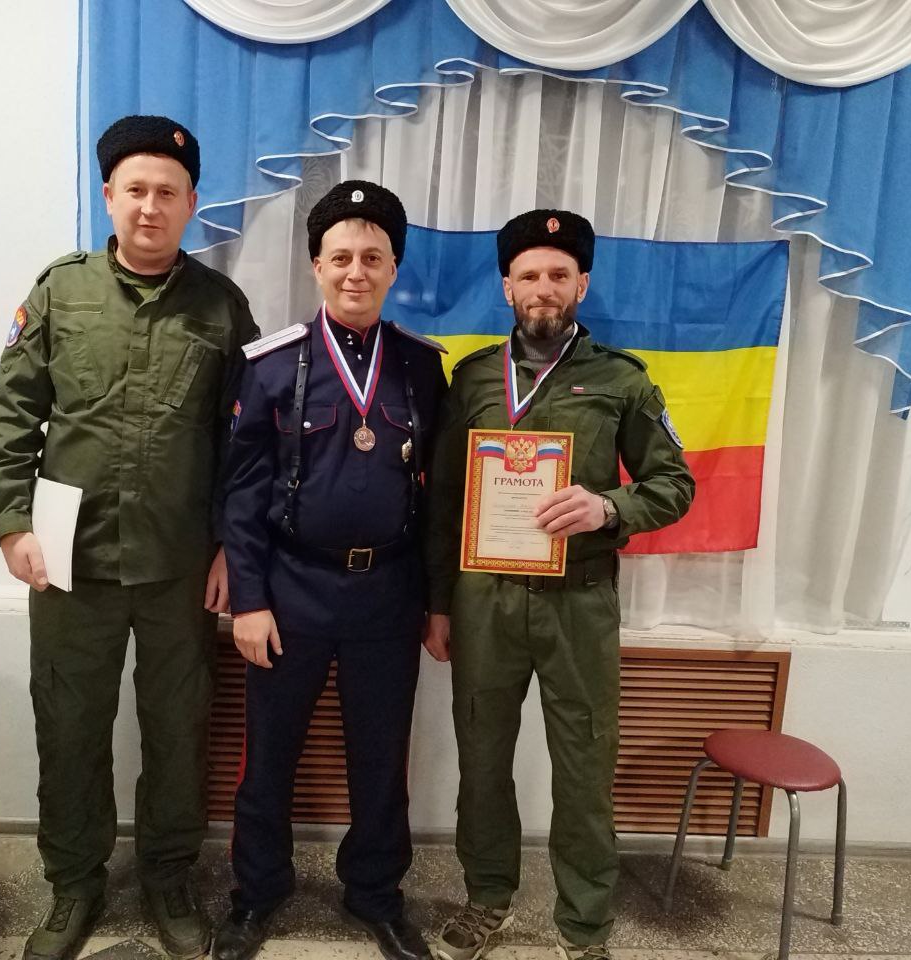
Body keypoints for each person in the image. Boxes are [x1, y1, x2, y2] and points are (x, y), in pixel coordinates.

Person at [0, 114, 259, 960]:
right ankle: (74, 884)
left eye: (167, 192)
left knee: (178, 729)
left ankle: (169, 877)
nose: (150, 206)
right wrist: (12, 525)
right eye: (135, 189)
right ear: (109, 195)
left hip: (180, 564)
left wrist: (230, 548)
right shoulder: (60, 293)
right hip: (72, 560)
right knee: (69, 727)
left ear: (191, 204)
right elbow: (13, 415)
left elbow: (247, 443)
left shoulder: (221, 307)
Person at [424, 209, 695, 960]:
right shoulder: (473, 378)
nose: (543, 287)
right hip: (484, 601)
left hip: (579, 601)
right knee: (482, 761)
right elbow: (443, 501)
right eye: (529, 275)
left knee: (584, 767)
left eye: (559, 274)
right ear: (507, 287)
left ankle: (584, 928)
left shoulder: (621, 380)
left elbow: (674, 484)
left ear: (582, 285)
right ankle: (487, 900)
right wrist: (438, 604)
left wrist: (609, 506)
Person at [212, 180, 448, 960]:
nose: (356, 271)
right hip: (292, 593)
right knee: (268, 756)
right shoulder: (273, 365)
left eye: (373, 258)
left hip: (388, 593)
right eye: (341, 257)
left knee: (381, 761)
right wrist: (249, 601)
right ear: (317, 266)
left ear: (393, 268)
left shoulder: (421, 367)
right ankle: (257, 894)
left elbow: (439, 497)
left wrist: (438, 602)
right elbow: (242, 494)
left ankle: (375, 894)